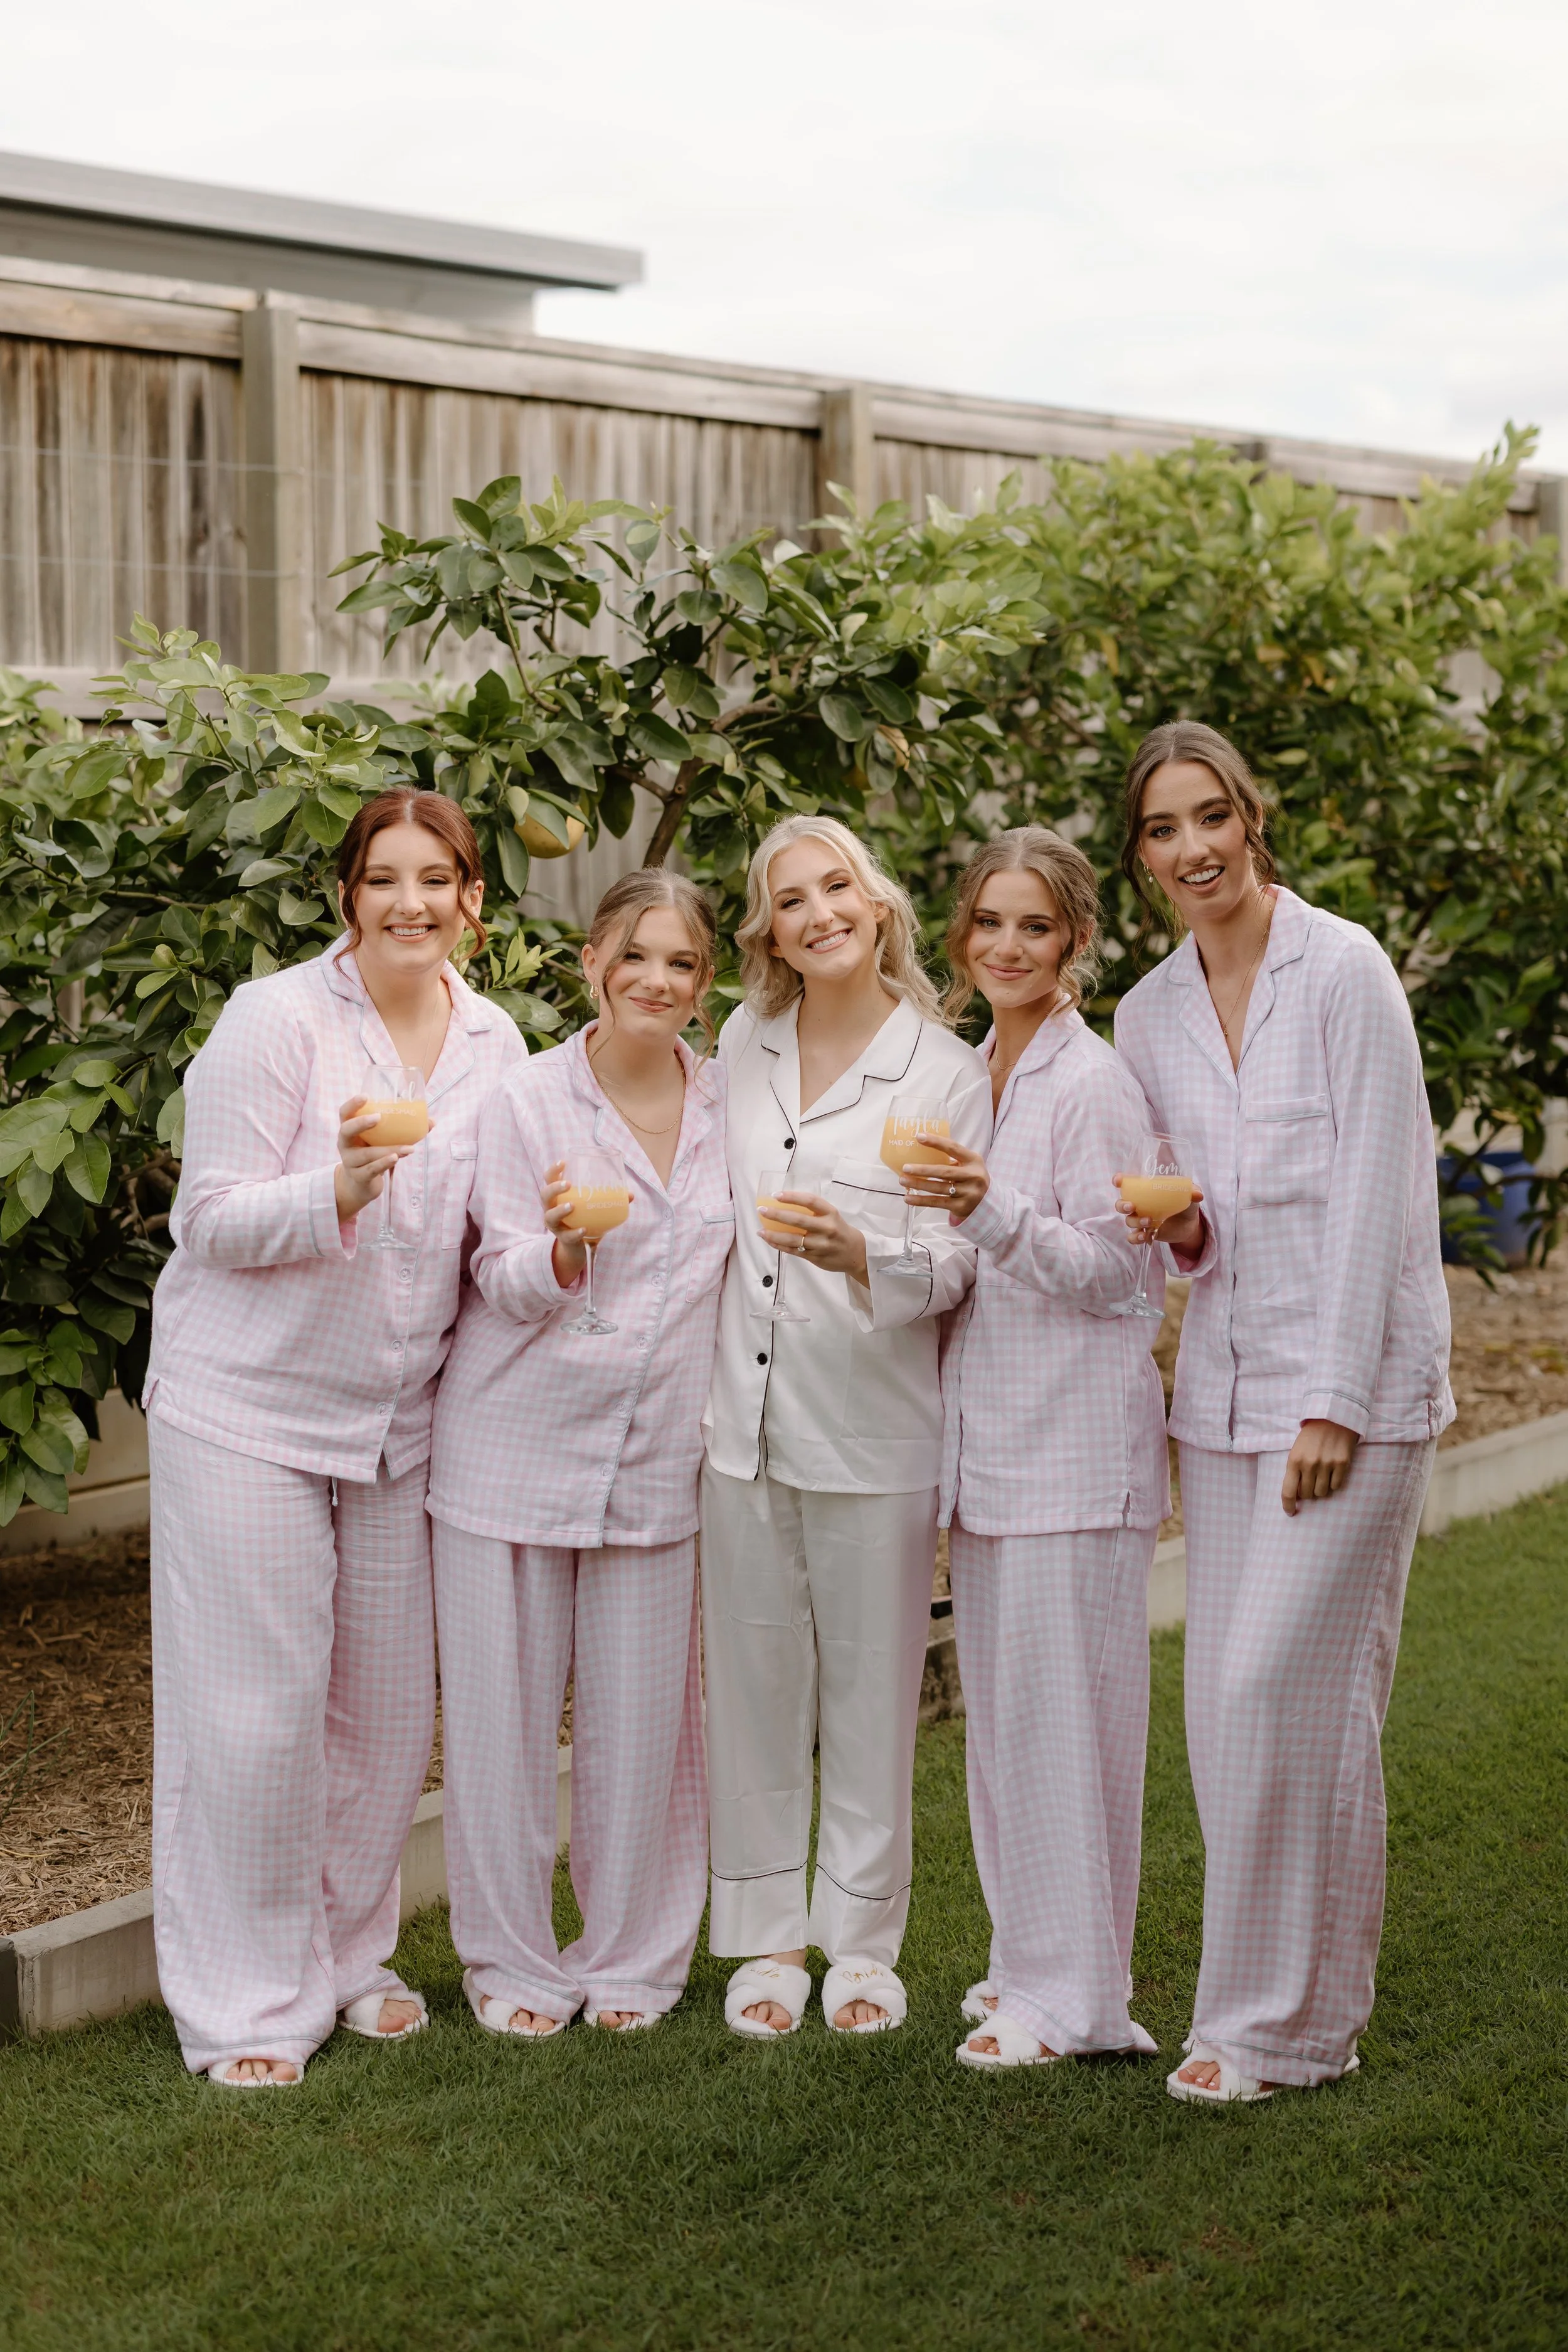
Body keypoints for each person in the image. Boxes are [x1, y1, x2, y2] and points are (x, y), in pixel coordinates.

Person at [146, 788, 524, 2087]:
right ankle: (246, 2001)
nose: (410, 902)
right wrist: (340, 1188)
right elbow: (211, 1218)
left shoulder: (495, 1040)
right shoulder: (279, 1018)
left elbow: (493, 1240)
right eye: (384, 878)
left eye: (437, 878)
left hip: (398, 1421)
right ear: (346, 895)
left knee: (379, 1712)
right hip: (245, 1405)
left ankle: (349, 1955)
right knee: (253, 1711)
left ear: (473, 896)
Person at [1113, 720, 1453, 2105]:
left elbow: (1380, 1196)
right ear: (1138, 855)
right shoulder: (1143, 1012)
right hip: (1221, 1400)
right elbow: (1181, 1229)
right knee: (1224, 1716)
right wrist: (1182, 1233)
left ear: (1252, 819)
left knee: (1287, 1698)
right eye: (1159, 829)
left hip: (1353, 1401)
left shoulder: (1345, 967)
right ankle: (1264, 2014)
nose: (1190, 848)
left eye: (1209, 817)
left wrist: (1332, 1404)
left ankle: (1283, 2028)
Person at [701, 814, 990, 2040]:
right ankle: (766, 1940)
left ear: (875, 903)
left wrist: (856, 1249)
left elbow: (956, 1264)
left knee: (870, 1696)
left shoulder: (942, 1068)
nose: (816, 911)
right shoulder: (739, 1042)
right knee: (754, 1689)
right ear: (766, 928)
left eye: (835, 887)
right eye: (788, 897)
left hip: (871, 1429)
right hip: (741, 1427)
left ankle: (862, 1946)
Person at [428, 872, 726, 2038]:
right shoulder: (526, 1102)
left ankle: (634, 1962)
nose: (658, 981)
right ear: (593, 958)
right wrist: (557, 1254)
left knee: (647, 1727)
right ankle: (508, 1965)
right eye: (637, 955)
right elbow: (495, 1273)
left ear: (709, 984)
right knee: (500, 1736)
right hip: (511, 1449)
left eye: (684, 964)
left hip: (657, 1460)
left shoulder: (726, 1107)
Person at [912, 829, 1169, 2071]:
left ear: (1073, 939)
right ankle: (1027, 1967)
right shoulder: (975, 1072)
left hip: (1075, 1456)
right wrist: (868, 1255)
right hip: (991, 1455)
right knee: (1007, 1729)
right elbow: (964, 1269)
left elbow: (1127, 1274)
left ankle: (1082, 2001)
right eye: (986, 923)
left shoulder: (1092, 1084)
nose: (1004, 946)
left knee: (1068, 1731)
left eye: (1033, 926)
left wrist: (990, 1210)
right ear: (960, 934)